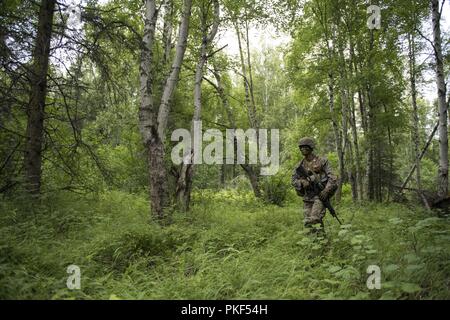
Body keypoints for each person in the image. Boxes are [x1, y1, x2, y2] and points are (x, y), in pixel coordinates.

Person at [291, 137, 338, 234]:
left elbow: (332, 177)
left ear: (311, 147)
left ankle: (321, 244)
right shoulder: (299, 165)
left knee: (314, 219)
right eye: (301, 147)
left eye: (306, 147)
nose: (303, 149)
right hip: (307, 197)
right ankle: (321, 245)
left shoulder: (322, 161)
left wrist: (326, 191)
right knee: (310, 226)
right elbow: (293, 180)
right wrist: (302, 182)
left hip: (320, 195)